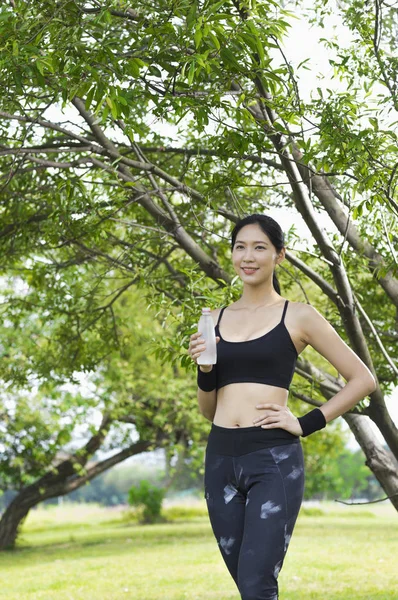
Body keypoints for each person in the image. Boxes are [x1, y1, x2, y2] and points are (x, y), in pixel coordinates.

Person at [187, 213, 376, 600]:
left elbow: (363, 380)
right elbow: (208, 410)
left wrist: (306, 422)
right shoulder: (215, 319)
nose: (248, 256)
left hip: (271, 459)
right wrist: (206, 369)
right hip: (220, 460)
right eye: (240, 247)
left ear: (280, 256)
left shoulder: (299, 315)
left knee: (258, 584)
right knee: (246, 584)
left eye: (260, 247)